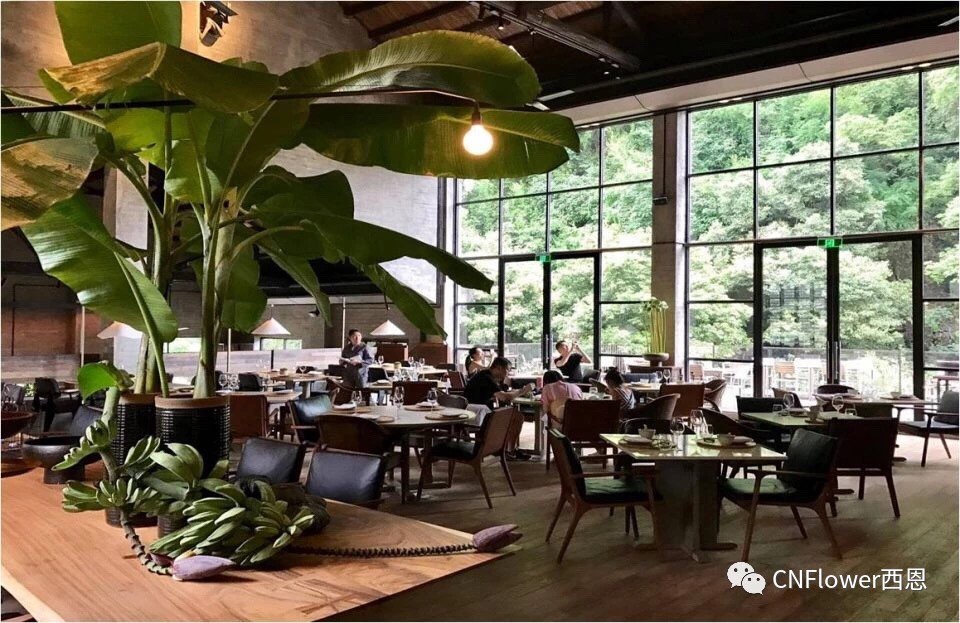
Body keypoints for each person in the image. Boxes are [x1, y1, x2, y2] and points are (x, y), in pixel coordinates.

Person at [464, 357, 535, 460]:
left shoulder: (487, 376)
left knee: (514, 414)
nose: (508, 373)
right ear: (499, 368)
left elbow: (502, 394)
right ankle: (509, 451)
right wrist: (523, 390)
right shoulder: (486, 378)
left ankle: (509, 449)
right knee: (517, 417)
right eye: (507, 370)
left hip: (480, 411)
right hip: (477, 414)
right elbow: (505, 397)